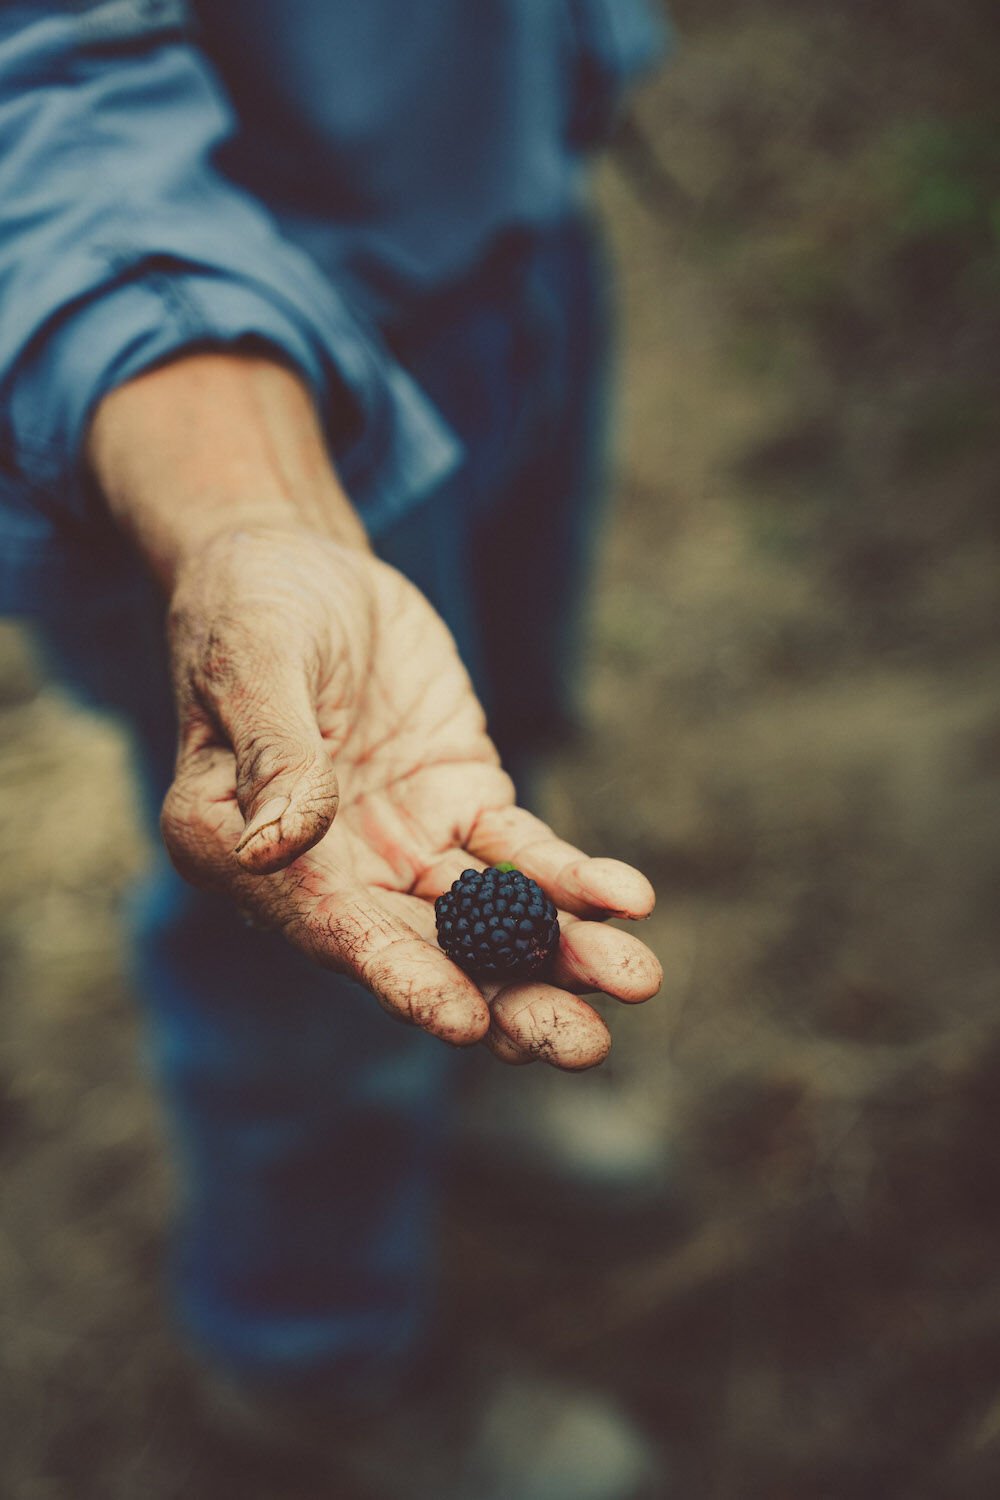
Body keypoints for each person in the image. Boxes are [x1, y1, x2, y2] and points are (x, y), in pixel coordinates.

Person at [0, 3, 668, 1495]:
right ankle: (305, 1354)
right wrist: (253, 512)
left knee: (486, 754)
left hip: (521, 237)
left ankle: (460, 1081)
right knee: (298, 920)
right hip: (207, 380)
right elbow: (28, 93)